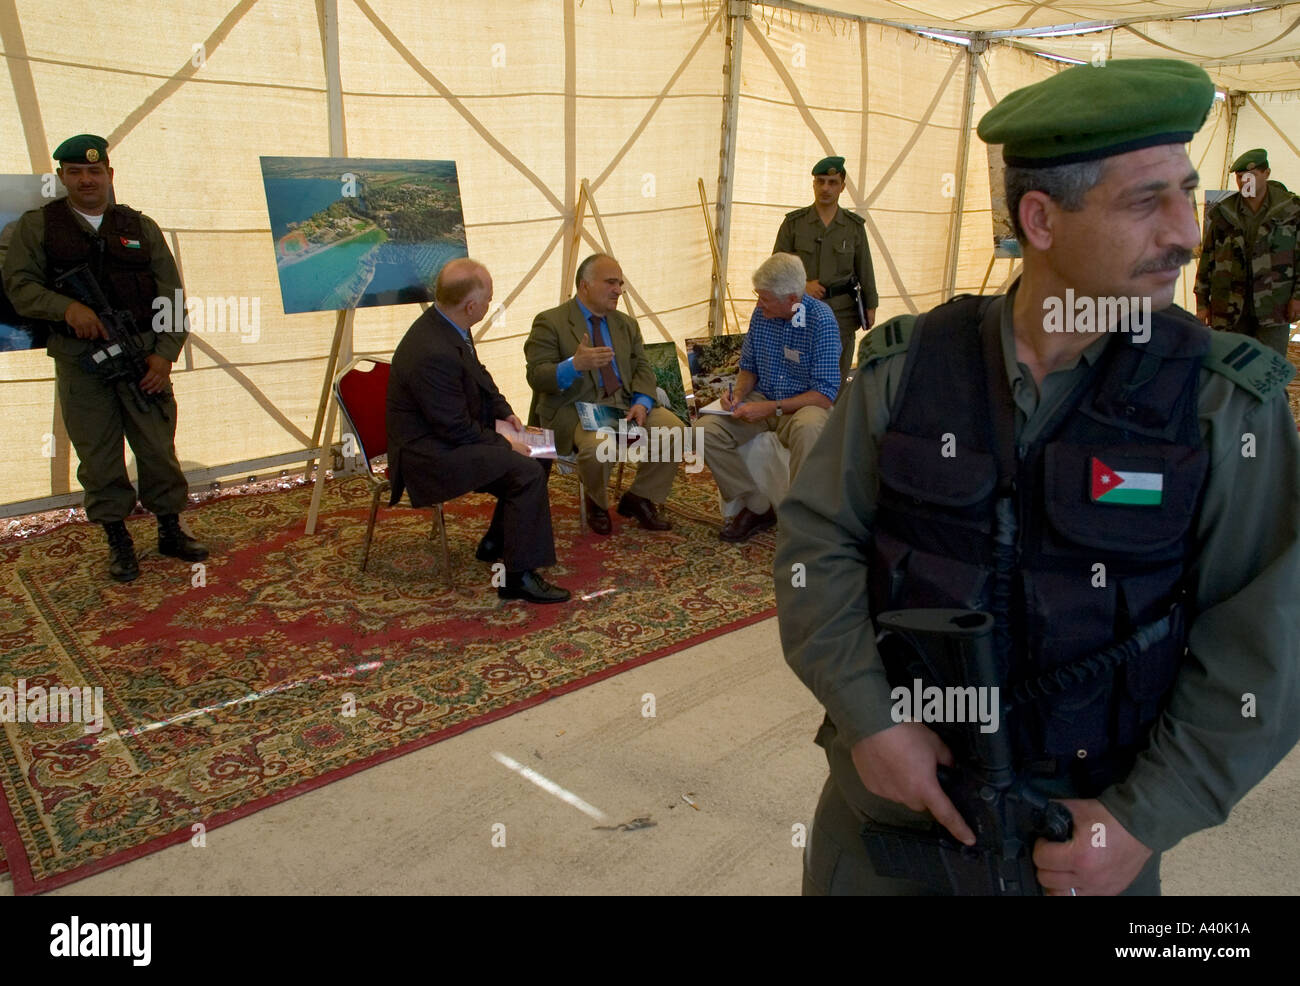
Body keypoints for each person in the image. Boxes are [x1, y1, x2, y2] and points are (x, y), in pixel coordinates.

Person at [776, 59, 1300, 897]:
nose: (1187, 232)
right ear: (1040, 220)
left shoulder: (1222, 404)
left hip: (1086, 845)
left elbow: (1269, 637)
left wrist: (1148, 818)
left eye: (1186, 192)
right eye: (1146, 202)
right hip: (886, 828)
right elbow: (817, 542)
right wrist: (869, 717)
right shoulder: (908, 370)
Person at [1, 134, 207, 583]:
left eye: (95, 171)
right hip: (82, 364)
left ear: (109, 175)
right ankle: (118, 540)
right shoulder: (38, 227)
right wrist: (67, 309)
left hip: (142, 358)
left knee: (157, 450)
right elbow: (19, 287)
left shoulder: (138, 226)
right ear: (61, 178)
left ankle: (170, 530)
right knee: (98, 457)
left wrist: (164, 356)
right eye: (75, 172)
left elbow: (171, 294)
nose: (86, 179)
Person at [388, 258, 569, 604]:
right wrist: (506, 444)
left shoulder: (450, 324)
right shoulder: (430, 351)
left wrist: (507, 415)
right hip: (428, 454)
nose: (490, 305)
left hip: (450, 435)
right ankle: (517, 577)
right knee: (526, 470)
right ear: (471, 306)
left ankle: (497, 541)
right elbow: (454, 428)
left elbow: (480, 378)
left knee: (539, 450)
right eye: (488, 299)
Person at [525, 254, 685, 535]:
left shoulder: (626, 324)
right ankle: (597, 501)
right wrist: (574, 365)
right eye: (611, 282)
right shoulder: (550, 322)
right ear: (584, 285)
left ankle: (639, 497)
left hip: (623, 404)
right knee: (601, 445)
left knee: (675, 429)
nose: (618, 290)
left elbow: (642, 368)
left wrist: (643, 402)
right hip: (577, 410)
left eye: (620, 284)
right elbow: (537, 376)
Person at [699, 253, 839, 543]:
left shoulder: (821, 321)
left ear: (791, 299)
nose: (759, 303)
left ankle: (804, 519)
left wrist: (772, 408)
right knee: (704, 431)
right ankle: (757, 506)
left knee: (811, 427)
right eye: (758, 296)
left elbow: (824, 394)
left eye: (764, 298)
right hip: (762, 397)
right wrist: (737, 394)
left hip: (802, 405)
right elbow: (748, 366)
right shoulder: (762, 314)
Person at [773, 155, 878, 385]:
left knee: (835, 377)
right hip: (801, 310)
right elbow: (777, 268)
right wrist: (802, 286)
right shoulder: (794, 224)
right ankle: (802, 419)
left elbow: (865, 268)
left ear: (842, 186)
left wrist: (871, 305)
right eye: (820, 182)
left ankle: (832, 420)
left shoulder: (853, 227)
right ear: (813, 184)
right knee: (798, 369)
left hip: (840, 313)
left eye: (832, 182)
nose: (825, 188)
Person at [1194, 147, 1300, 355]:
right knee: (1229, 368)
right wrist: (1201, 303)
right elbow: (1207, 259)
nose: (1244, 182)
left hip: (1274, 306)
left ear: (1266, 174)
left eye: (1250, 176)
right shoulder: (1223, 213)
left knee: (1268, 369)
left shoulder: (1291, 210)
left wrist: (1297, 297)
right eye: (1240, 177)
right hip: (1229, 308)